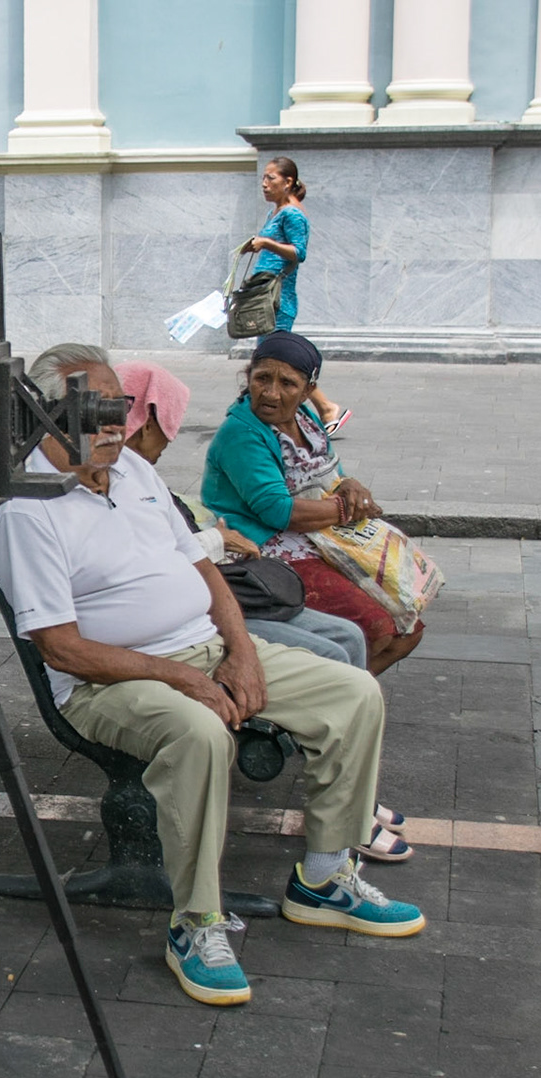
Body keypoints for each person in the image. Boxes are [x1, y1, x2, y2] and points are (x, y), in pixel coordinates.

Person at [0, 365, 425, 1008]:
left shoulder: (134, 471)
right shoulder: (28, 513)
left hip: (207, 646)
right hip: (108, 680)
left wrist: (241, 652)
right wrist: (184, 678)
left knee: (352, 691)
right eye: (95, 413)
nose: (116, 425)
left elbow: (204, 567)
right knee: (200, 734)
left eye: (121, 408)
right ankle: (195, 923)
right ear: (46, 417)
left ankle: (327, 875)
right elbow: (62, 648)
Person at [112, 359, 413, 862]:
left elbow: (185, 555)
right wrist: (217, 552)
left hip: (220, 595)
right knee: (337, 658)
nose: (169, 441)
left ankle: (347, 803)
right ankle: (339, 816)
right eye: (166, 428)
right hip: (190, 621)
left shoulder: (134, 472)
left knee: (351, 641)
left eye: (288, 383)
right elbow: (157, 561)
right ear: (143, 419)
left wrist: (211, 552)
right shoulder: (108, 480)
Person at [202, 331, 425, 675]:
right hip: (266, 550)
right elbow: (279, 511)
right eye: (262, 379)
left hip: (321, 539)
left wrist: (350, 485)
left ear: (308, 390)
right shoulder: (241, 433)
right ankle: (343, 694)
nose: (271, 393)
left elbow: (330, 473)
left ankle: (347, 694)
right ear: (249, 379)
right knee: (378, 626)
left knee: (408, 627)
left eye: (287, 384)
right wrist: (346, 509)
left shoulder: (306, 419)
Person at [240, 157, 347, 433]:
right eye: (263, 178)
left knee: (275, 360)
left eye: (271, 178)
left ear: (288, 182)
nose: (264, 184)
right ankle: (320, 409)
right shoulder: (276, 211)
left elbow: (299, 252)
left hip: (279, 299)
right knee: (272, 358)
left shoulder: (293, 214)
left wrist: (266, 243)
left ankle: (316, 410)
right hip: (265, 295)